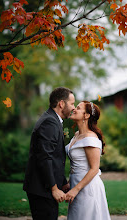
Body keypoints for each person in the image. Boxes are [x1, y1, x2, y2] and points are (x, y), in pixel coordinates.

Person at [23, 87, 75, 220]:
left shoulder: (53, 120)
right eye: (72, 103)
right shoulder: (50, 122)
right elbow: (44, 157)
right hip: (42, 189)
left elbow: (55, 157)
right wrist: (54, 188)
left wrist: (62, 182)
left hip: (43, 188)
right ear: (61, 104)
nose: (73, 108)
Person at [65, 101, 111, 220]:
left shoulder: (90, 138)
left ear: (86, 115)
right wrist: (70, 184)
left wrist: (75, 189)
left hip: (87, 188)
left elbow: (94, 169)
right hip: (76, 184)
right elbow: (78, 164)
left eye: (78, 108)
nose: (74, 109)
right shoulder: (76, 134)